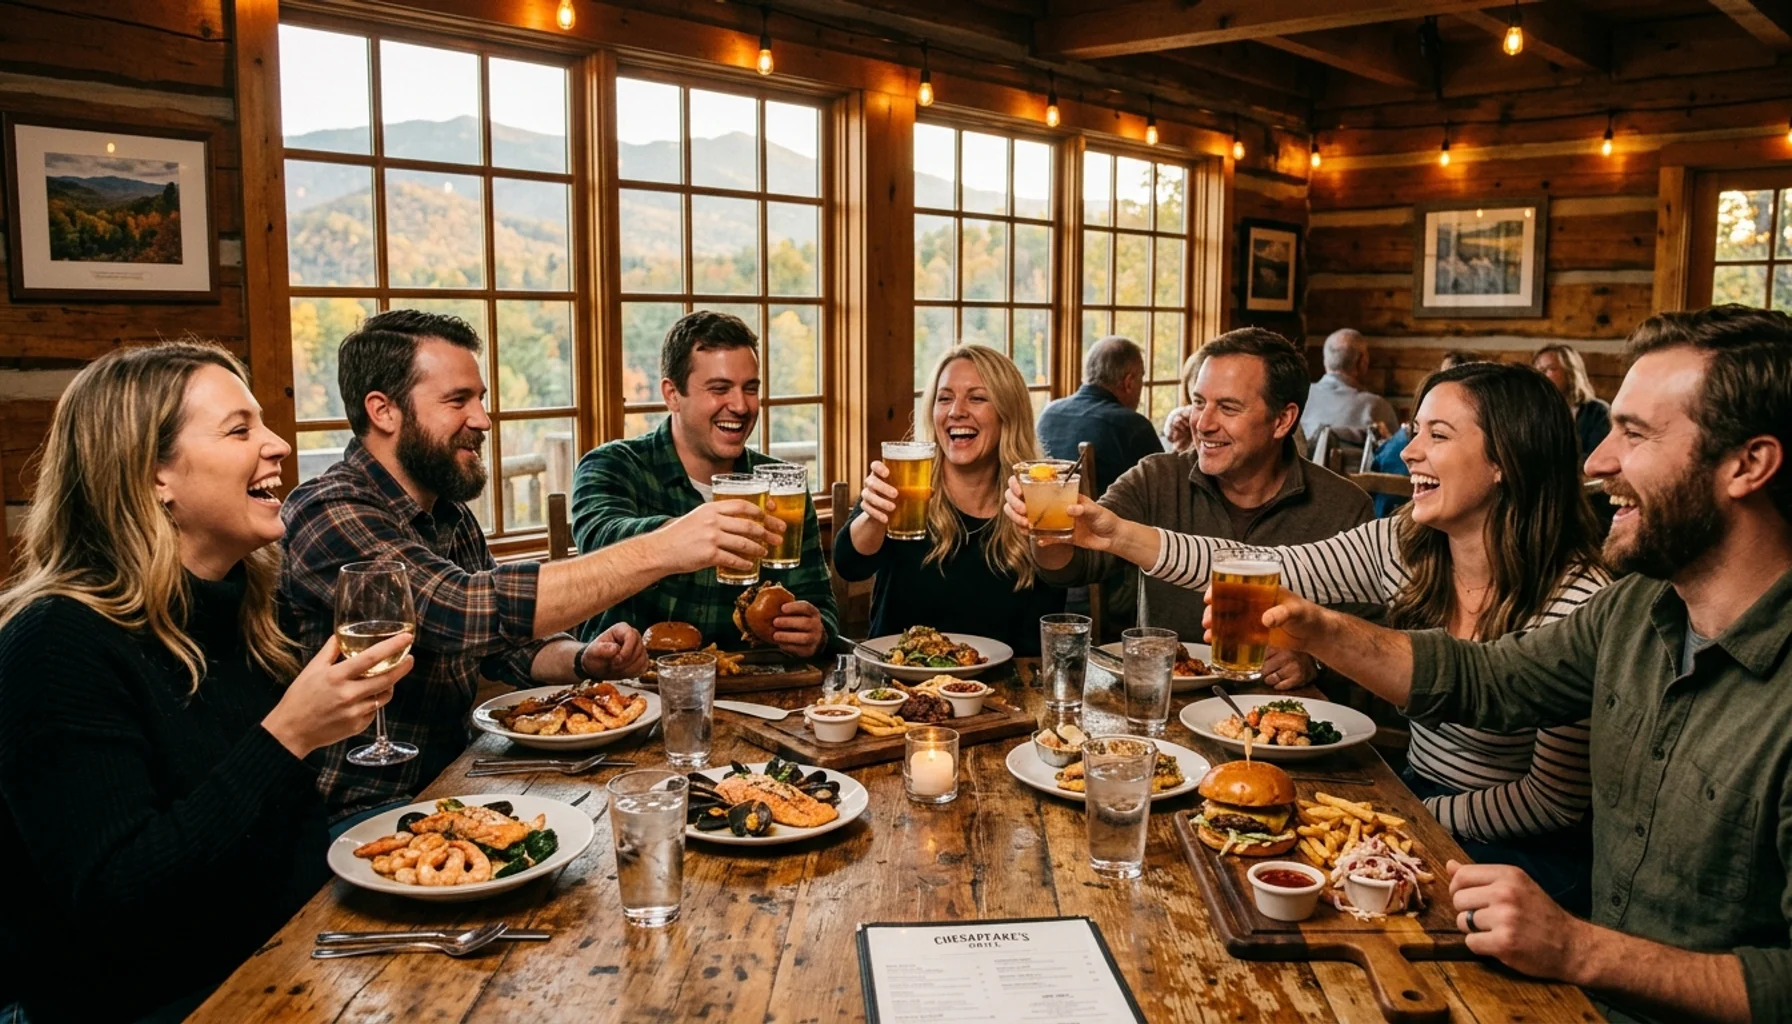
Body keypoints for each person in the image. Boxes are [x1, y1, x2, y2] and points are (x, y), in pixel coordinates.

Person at [1221, 306, 1792, 1023]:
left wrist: (1579, 949)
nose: (1597, 461)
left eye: (1635, 434)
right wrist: (1321, 630)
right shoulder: (1638, 609)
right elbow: (1486, 679)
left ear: (1748, 465)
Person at [1030, 362, 1608, 913]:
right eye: (1414, 431)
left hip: (1518, 857)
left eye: (1438, 435)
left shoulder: (1580, 600)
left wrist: (1408, 812)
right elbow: (1257, 564)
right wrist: (1115, 533)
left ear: (1507, 458)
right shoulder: (1405, 545)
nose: (1409, 451)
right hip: (1415, 794)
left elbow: (1550, 802)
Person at [0, 342, 415, 1023]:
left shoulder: (242, 610)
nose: (278, 445)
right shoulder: (54, 643)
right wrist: (287, 736)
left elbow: (280, 846)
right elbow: (115, 898)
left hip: (281, 967)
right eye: (239, 429)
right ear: (154, 475)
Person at [282, 310, 758, 824]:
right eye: (458, 400)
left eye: (480, 399)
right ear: (384, 411)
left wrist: (585, 658)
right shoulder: (329, 510)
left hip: (454, 785)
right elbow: (458, 609)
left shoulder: (448, 513)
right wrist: (664, 548)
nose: (482, 419)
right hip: (360, 812)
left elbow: (506, 649)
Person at [1026, 328, 1373, 682]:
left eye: (1228, 407)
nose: (1203, 424)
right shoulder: (1155, 478)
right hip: (1164, 703)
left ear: (1282, 420)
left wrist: (1314, 661)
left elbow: (1372, 644)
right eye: (1198, 402)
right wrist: (1044, 527)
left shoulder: (1344, 507)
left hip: (1282, 707)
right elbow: (1072, 566)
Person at [572, 310, 837, 655]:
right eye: (719, 389)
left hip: (755, 683)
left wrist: (817, 633)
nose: (740, 406)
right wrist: (686, 534)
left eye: (750, 389)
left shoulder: (782, 485)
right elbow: (599, 545)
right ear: (672, 394)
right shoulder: (613, 465)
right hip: (632, 683)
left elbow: (822, 608)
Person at [834, 345, 1065, 656]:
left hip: (1006, 681)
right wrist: (874, 517)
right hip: (900, 679)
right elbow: (848, 565)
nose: (956, 411)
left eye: (977, 398)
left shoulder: (1034, 498)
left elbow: (1047, 617)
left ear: (1008, 414)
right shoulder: (903, 483)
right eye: (944, 398)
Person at [1036, 335, 1163, 497]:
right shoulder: (1133, 426)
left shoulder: (1049, 413)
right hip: (1103, 513)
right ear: (1129, 382)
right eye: (1141, 378)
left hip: (1046, 510)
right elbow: (1165, 489)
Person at [1368, 351, 1486, 518]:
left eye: (1437, 435)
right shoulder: (1398, 447)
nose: (1406, 453)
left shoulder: (1397, 443)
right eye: (1416, 431)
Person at [1302, 328, 1398, 452]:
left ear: (1325, 361)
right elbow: (1396, 455)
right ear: (1362, 362)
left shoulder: (1299, 396)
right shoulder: (1377, 407)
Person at [1533, 343, 1612, 459]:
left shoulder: (1597, 411)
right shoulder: (1535, 413)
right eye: (1540, 370)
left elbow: (1597, 456)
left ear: (1570, 372)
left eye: (1551, 369)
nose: (1543, 375)